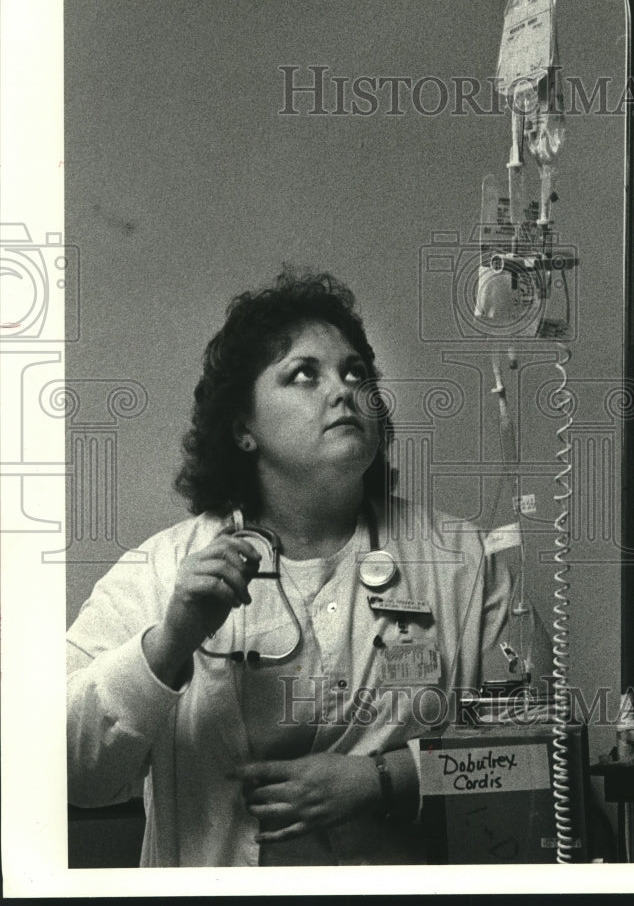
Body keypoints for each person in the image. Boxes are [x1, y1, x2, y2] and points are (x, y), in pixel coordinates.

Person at [67, 270, 552, 867]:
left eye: (356, 373)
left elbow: (537, 755)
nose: (344, 391)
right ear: (244, 428)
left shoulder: (462, 562)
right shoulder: (159, 571)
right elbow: (66, 773)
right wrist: (168, 644)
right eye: (305, 374)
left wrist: (389, 777)